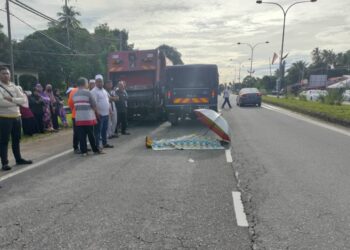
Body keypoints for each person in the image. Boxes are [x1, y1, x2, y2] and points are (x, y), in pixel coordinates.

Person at [0, 66, 32, 171]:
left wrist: (11, 99)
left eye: (7, 73)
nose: (6, 75)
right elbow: (1, 102)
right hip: (4, 118)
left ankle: (18, 159)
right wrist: (16, 101)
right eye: (3, 73)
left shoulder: (15, 86)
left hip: (17, 117)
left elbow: (23, 100)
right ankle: (5, 163)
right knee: (4, 141)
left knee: (16, 139)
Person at [73, 77, 103, 156]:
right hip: (88, 117)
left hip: (78, 118)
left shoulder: (74, 94)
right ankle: (95, 150)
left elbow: (75, 106)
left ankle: (84, 152)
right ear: (84, 83)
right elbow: (94, 105)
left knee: (82, 136)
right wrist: (97, 114)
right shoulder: (88, 92)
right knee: (91, 135)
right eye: (87, 83)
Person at [91, 74, 114, 149]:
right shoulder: (94, 91)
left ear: (103, 82)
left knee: (104, 130)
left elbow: (107, 101)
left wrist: (110, 110)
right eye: (98, 82)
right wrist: (97, 113)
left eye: (101, 81)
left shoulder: (104, 90)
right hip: (99, 115)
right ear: (96, 83)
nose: (100, 83)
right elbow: (94, 104)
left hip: (106, 114)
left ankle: (104, 143)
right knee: (98, 132)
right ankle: (97, 146)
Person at [68, 86, 80, 154]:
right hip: (83, 115)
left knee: (77, 132)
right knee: (80, 132)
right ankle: (77, 147)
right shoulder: (85, 90)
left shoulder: (73, 91)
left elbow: (70, 103)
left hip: (75, 114)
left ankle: (77, 147)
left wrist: (73, 109)